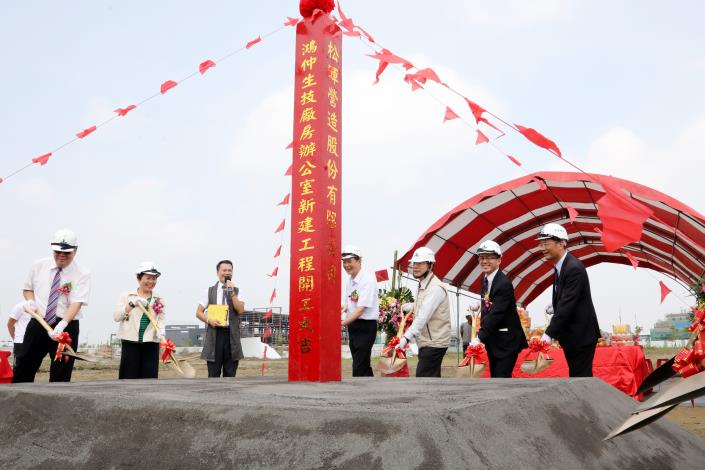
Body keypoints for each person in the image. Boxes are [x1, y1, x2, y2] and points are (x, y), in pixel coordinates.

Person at [13, 229, 91, 383]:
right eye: (57, 252)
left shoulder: (83, 273)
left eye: (66, 253)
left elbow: (77, 303)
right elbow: (28, 288)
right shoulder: (39, 265)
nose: (61, 255)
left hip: (65, 329)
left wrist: (62, 324)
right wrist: (30, 301)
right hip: (38, 322)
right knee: (24, 366)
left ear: (75, 251)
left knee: (61, 374)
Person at [537, 223, 600, 377]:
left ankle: (585, 402)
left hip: (581, 335)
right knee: (576, 376)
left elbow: (568, 304)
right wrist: (555, 305)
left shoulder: (573, 268)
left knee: (581, 378)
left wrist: (549, 333)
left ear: (561, 244)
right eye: (541, 243)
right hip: (573, 335)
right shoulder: (561, 267)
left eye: (546, 243)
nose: (543, 248)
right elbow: (566, 298)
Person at [469, 240, 527, 378]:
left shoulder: (503, 284)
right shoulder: (485, 280)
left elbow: (497, 313)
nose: (485, 261)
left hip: (507, 342)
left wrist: (479, 337)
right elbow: (488, 308)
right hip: (494, 340)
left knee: (502, 380)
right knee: (495, 379)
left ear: (499, 260)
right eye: (482, 257)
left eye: (490, 257)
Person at [396, 246, 451, 377]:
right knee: (431, 382)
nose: (415, 266)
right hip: (428, 342)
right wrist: (403, 306)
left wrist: (405, 338)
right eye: (414, 263)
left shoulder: (435, 288)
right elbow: (420, 305)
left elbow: (422, 317)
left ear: (430, 265)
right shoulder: (423, 284)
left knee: (423, 379)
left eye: (420, 263)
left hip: (435, 343)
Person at [114, 262, 165, 379]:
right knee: (128, 378)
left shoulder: (159, 299)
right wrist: (132, 304)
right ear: (138, 278)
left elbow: (161, 320)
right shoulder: (126, 296)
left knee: (149, 379)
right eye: (148, 278)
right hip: (130, 343)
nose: (151, 282)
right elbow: (116, 317)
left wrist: (161, 332)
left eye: (154, 279)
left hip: (151, 344)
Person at [196, 260, 245, 377]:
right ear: (218, 272)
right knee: (213, 374)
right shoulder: (209, 291)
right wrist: (209, 320)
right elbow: (198, 312)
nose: (227, 272)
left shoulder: (238, 291)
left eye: (229, 270)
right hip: (215, 335)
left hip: (231, 336)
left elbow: (240, 310)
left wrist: (232, 293)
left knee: (230, 374)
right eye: (224, 270)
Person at [341, 245, 379, 377]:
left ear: (359, 261)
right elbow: (349, 304)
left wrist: (341, 323)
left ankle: (358, 394)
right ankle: (371, 392)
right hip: (354, 326)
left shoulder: (367, 280)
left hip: (365, 326)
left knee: (359, 365)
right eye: (344, 262)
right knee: (362, 364)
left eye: (349, 261)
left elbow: (360, 309)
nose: (346, 265)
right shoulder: (350, 281)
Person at [7, 301, 30, 370]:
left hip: (34, 342)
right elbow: (10, 324)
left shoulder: (41, 306)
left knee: (30, 369)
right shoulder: (20, 306)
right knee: (18, 369)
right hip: (20, 342)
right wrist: (15, 338)